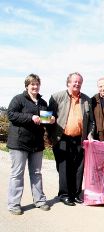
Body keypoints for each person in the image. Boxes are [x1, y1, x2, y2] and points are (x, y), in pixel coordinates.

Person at [6, 74, 54, 215]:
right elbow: (11, 115)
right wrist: (30, 117)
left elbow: (44, 121)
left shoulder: (43, 102)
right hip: (19, 143)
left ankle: (39, 201)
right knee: (17, 174)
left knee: (37, 173)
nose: (35, 87)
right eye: (32, 84)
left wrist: (50, 120)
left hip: (37, 143)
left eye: (37, 84)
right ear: (27, 85)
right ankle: (14, 204)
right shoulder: (18, 99)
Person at [48, 72, 95, 206]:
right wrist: (50, 137)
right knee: (64, 167)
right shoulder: (57, 97)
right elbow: (48, 119)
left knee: (79, 167)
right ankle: (64, 194)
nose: (77, 84)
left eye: (79, 82)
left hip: (80, 139)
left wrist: (90, 134)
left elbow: (91, 121)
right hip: (62, 138)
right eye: (74, 81)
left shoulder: (86, 99)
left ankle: (75, 194)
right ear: (68, 83)